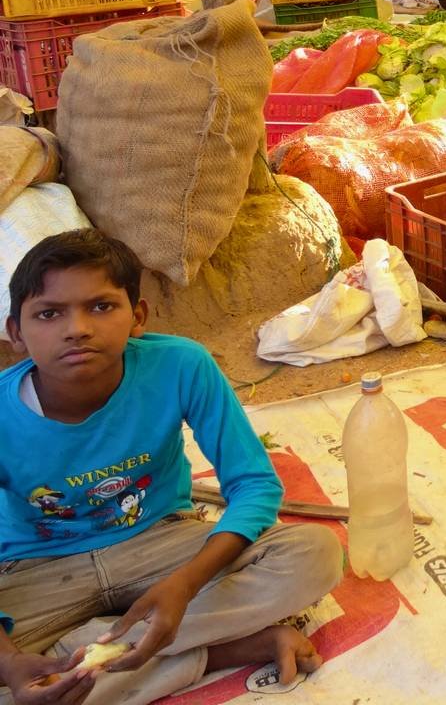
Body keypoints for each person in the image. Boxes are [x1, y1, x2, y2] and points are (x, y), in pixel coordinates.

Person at [0, 229, 342, 705]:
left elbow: (255, 485)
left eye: (101, 306)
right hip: (36, 569)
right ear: (16, 333)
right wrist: (10, 662)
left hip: (160, 543)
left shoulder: (181, 365)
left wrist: (186, 584)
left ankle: (78, 661)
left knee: (313, 553)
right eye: (49, 313)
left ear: (137, 316)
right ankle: (228, 650)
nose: (76, 327)